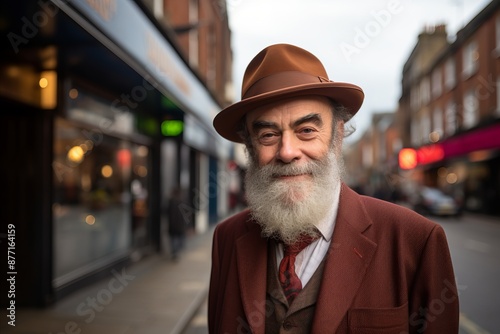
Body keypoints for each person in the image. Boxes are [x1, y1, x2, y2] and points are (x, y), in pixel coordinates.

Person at [208, 44, 459, 333]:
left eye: (306, 131)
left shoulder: (415, 240)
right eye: (268, 135)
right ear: (251, 149)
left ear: (337, 139)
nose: (287, 151)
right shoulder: (226, 239)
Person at [165, 186, 188, 261]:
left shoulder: (171, 202)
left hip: (174, 225)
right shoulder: (181, 202)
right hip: (179, 225)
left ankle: (175, 253)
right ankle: (175, 253)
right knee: (178, 239)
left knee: (174, 240)